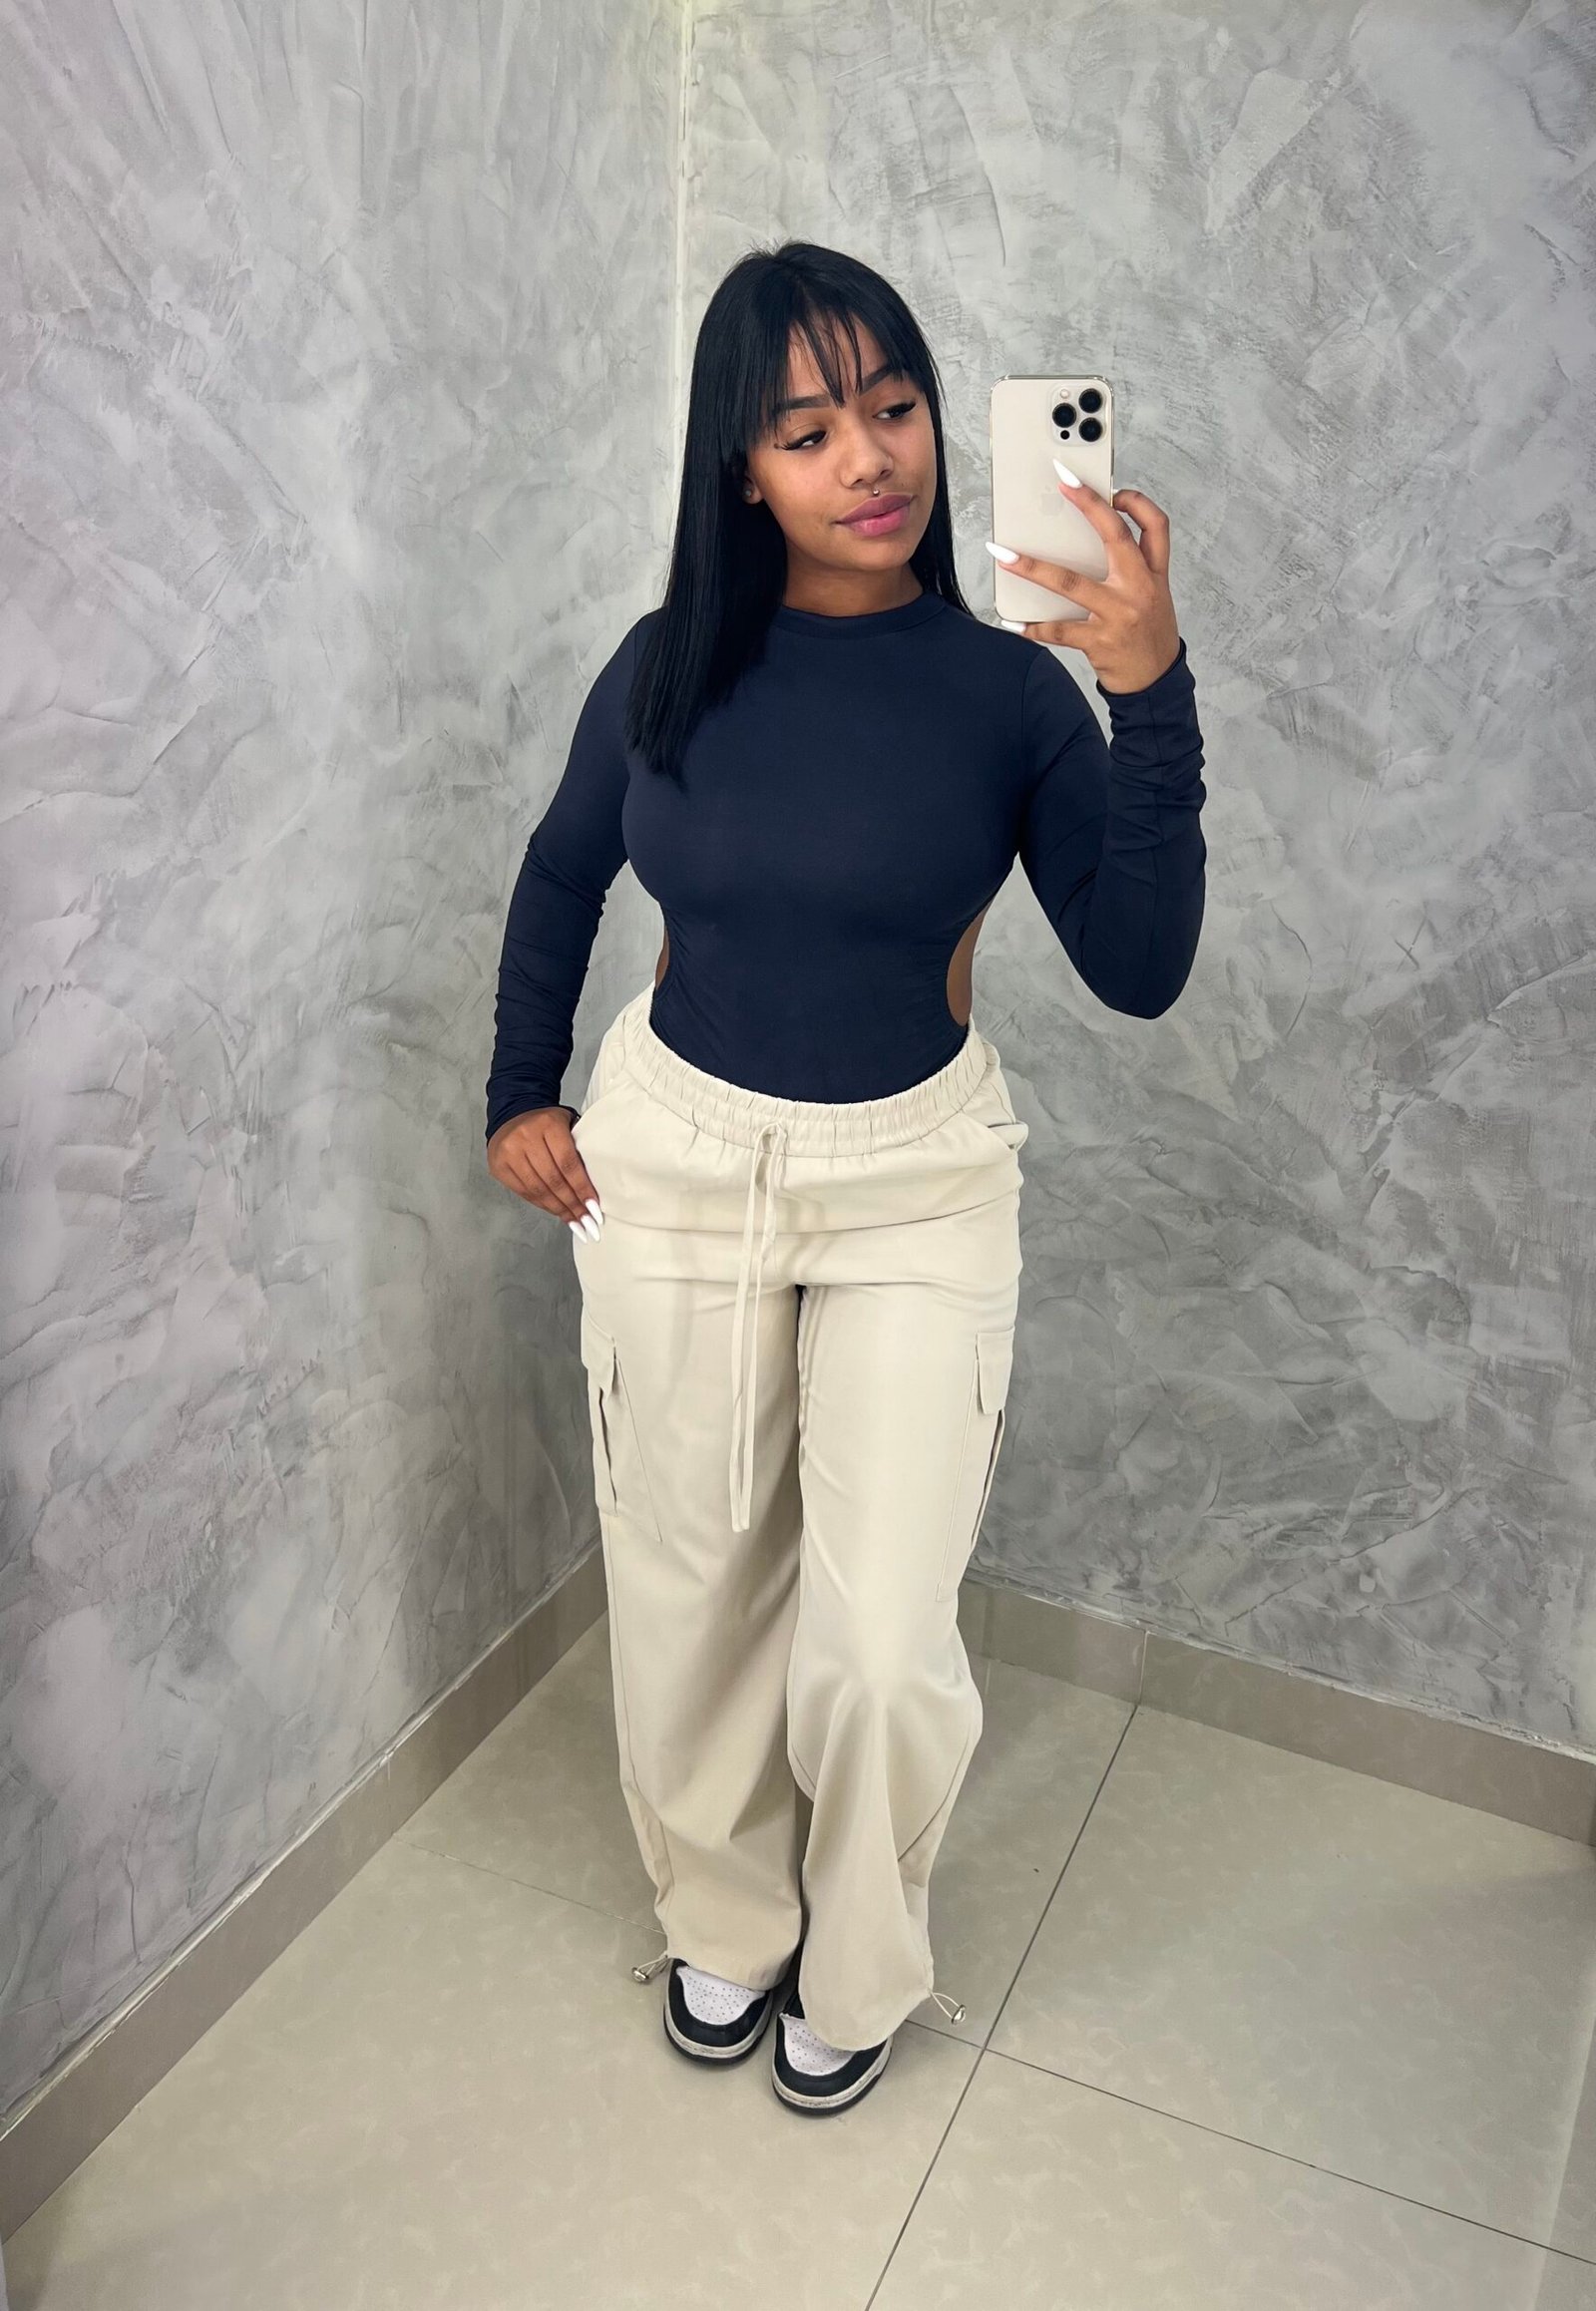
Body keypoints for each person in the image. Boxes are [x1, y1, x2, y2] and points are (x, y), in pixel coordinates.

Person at [484, 240, 1207, 2115]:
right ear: (742, 469)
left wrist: (1151, 694)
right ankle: (723, 1920)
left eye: (893, 408)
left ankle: (862, 1958)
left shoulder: (1009, 692)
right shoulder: (666, 666)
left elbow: (1138, 965)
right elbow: (564, 873)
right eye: (807, 431)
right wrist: (517, 1090)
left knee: (881, 1642)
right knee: (692, 1586)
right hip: (676, 1154)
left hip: (915, 1182)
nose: (869, 458)